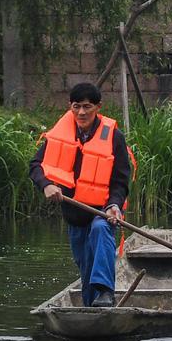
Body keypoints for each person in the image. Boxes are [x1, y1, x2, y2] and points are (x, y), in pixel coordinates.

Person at [31, 81, 133, 307]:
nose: (81, 112)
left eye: (87, 107)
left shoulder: (114, 137)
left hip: (103, 211)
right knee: (86, 272)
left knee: (99, 230)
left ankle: (106, 292)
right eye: (76, 106)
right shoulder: (61, 134)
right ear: (70, 106)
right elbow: (35, 166)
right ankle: (92, 310)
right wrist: (46, 184)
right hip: (74, 215)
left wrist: (114, 205)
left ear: (98, 107)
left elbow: (120, 180)